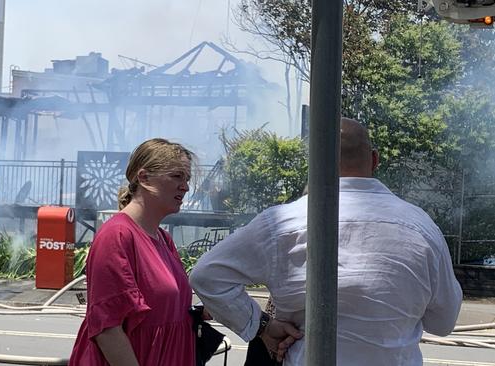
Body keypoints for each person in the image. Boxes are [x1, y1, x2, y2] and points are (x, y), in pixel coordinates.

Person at [190, 118, 463, 365]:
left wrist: (262, 326)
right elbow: (443, 322)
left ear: (315, 161)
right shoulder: (422, 227)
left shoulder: (282, 222)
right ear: (375, 159)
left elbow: (207, 276)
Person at [69, 138, 197, 366]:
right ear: (144, 177)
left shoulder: (164, 239)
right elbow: (107, 329)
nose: (185, 186)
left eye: (187, 179)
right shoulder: (117, 235)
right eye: (177, 176)